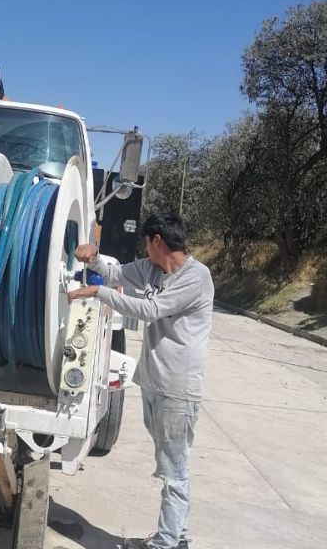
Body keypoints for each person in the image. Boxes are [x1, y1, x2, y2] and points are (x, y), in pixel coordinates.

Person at [68, 214, 214, 549]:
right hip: (153, 381)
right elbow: (118, 273)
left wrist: (98, 292)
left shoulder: (197, 278)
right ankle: (177, 536)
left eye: (147, 244)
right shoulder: (151, 269)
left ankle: (166, 544)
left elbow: (150, 309)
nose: (145, 251)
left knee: (174, 469)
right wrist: (96, 257)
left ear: (157, 241)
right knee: (168, 463)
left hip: (178, 389)